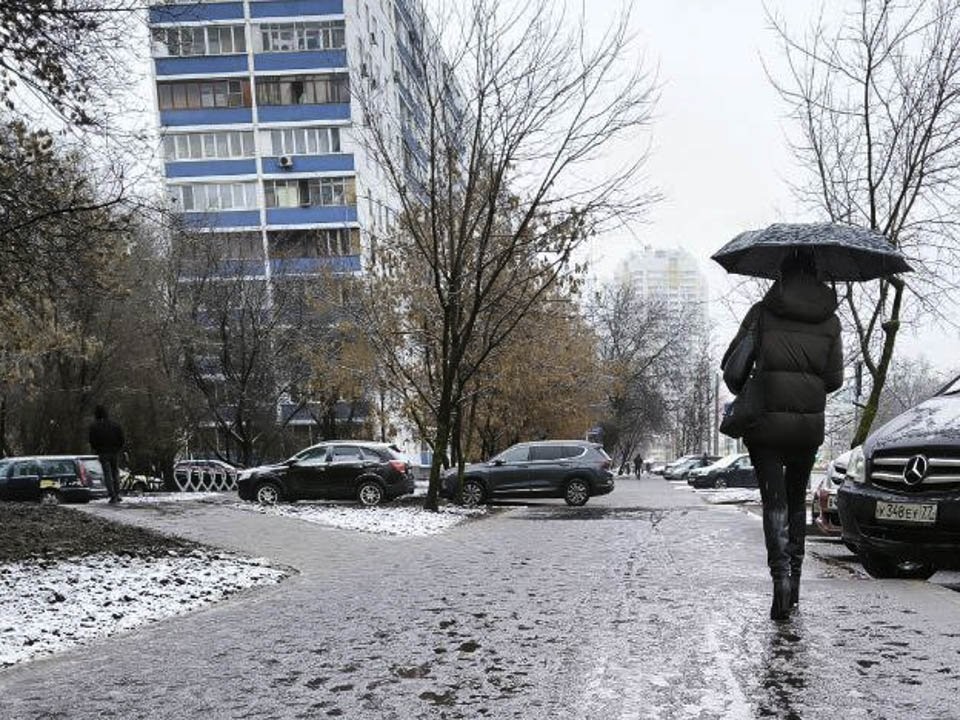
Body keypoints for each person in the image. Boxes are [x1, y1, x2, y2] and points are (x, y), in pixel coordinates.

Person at [722, 250, 842, 621]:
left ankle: (781, 581)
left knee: (773, 502)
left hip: (765, 427)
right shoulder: (830, 320)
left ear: (782, 272)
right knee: (795, 502)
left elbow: (733, 372)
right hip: (807, 428)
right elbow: (834, 379)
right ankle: (797, 584)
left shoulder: (762, 312)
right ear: (815, 273)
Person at [89, 404, 126, 504]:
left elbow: (92, 441)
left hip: (103, 452)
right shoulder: (115, 425)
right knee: (115, 473)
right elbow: (122, 439)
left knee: (107, 474)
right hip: (114, 452)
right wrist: (118, 448)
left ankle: (112, 494)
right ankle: (117, 493)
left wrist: (97, 449)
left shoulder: (94, 427)